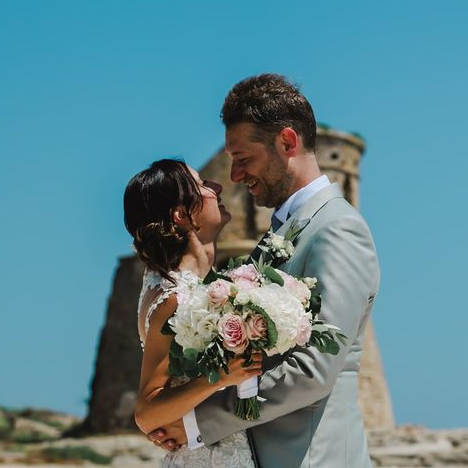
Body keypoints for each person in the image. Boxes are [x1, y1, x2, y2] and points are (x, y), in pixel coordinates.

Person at [147, 74, 381, 468]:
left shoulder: (337, 229)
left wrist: (199, 422)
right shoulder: (281, 231)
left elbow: (313, 369)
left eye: (243, 159)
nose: (235, 176)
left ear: (287, 142)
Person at [124, 159, 262, 467]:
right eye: (202, 185)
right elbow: (147, 413)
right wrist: (220, 378)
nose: (217, 186)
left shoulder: (182, 284)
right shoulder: (175, 298)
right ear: (181, 214)